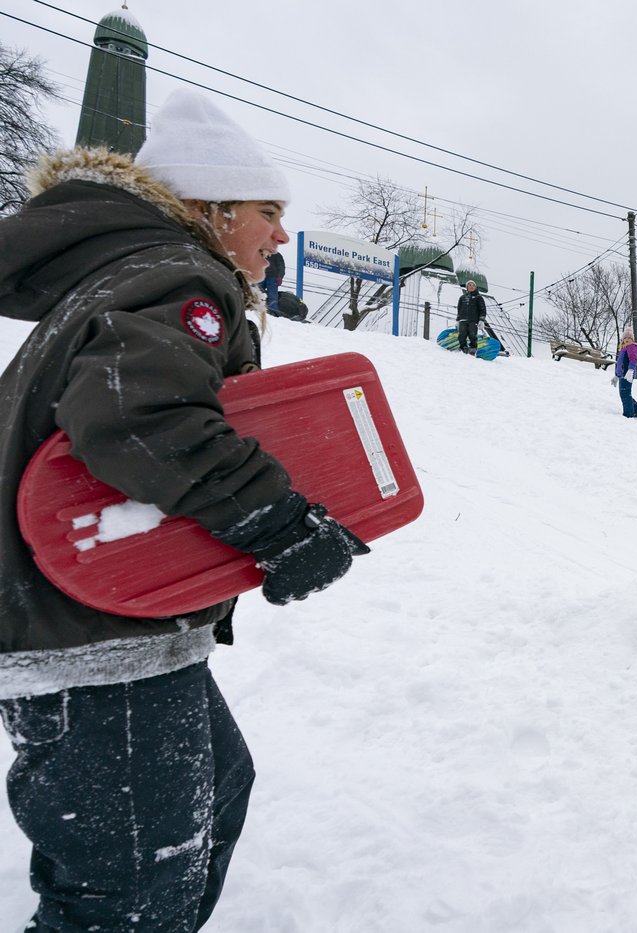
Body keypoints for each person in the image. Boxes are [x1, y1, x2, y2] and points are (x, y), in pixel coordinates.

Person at [0, 89, 369, 930]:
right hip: (90, 638)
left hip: (96, 624)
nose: (280, 235)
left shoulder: (133, 271)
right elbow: (136, 414)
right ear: (212, 209)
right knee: (129, 894)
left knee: (216, 791)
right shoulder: (182, 272)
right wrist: (276, 522)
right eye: (267, 213)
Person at [612, 324, 637, 418]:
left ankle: (629, 414)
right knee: (625, 393)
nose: (627, 339)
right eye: (625, 337)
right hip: (622, 374)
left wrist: (630, 371)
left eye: (629, 337)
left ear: (632, 339)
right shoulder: (623, 348)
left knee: (625, 394)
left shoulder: (631, 347)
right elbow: (620, 363)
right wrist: (617, 375)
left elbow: (633, 359)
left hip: (627, 374)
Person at [456, 279, 487, 355]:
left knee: (472, 335)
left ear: (476, 287)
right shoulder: (462, 298)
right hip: (463, 320)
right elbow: (459, 309)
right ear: (467, 287)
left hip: (473, 321)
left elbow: (482, 309)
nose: (471, 287)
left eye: (473, 285)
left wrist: (481, 320)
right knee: (461, 335)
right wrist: (457, 320)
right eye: (469, 285)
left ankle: (473, 349)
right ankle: (463, 348)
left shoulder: (478, 297)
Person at [259, 248, 285, 316]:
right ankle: (257, 310)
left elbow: (281, 266)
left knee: (272, 296)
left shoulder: (277, 255)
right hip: (260, 275)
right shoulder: (260, 253)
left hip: (272, 277)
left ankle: (273, 313)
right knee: (258, 294)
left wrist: (280, 276)